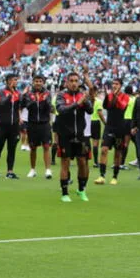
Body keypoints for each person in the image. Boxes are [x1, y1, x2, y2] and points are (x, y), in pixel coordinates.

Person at [56, 71, 93, 202]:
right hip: (65, 135)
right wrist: (78, 103)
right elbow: (61, 110)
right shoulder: (61, 95)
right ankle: (65, 193)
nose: (73, 83)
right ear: (66, 82)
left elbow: (90, 110)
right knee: (65, 163)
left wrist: (85, 101)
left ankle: (81, 190)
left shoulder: (82, 95)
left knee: (82, 162)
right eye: (71, 81)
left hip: (81, 135)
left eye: (76, 81)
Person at [95, 79, 129, 185]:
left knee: (117, 153)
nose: (114, 86)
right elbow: (106, 106)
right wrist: (107, 96)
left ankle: (115, 176)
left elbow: (122, 106)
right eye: (113, 84)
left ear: (121, 86)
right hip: (109, 126)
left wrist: (115, 96)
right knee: (104, 150)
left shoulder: (125, 97)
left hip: (120, 128)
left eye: (117, 84)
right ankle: (102, 175)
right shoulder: (109, 95)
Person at [21, 74, 54, 179]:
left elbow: (49, 107)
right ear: (33, 82)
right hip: (32, 124)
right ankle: (32, 169)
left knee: (46, 146)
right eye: (36, 81)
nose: (38, 83)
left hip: (44, 123)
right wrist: (36, 100)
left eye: (40, 81)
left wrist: (45, 101)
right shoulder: (28, 94)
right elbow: (27, 105)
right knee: (33, 147)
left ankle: (48, 170)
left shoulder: (47, 93)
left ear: (43, 82)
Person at [0, 73, 22, 179]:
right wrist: (10, 95)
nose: (16, 82)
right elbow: (1, 103)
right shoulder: (1, 92)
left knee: (12, 149)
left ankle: (10, 171)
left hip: (14, 126)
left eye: (16, 80)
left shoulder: (18, 93)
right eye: (14, 80)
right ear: (8, 81)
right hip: (2, 125)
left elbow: (21, 105)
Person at [90, 90, 105, 168]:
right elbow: (100, 113)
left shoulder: (87, 101)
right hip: (95, 122)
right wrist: (105, 123)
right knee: (95, 142)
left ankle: (84, 158)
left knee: (85, 141)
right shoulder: (98, 101)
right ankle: (96, 162)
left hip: (88, 122)